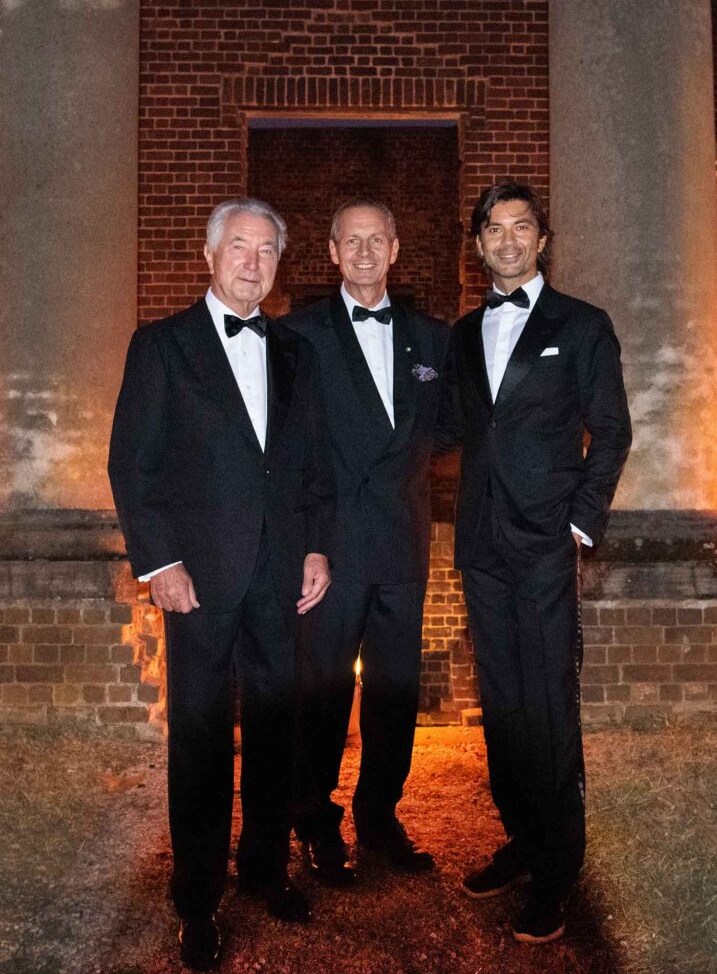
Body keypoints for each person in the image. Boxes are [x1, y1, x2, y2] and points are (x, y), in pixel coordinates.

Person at [108, 198, 333, 970]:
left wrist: (315, 550)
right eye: (239, 246)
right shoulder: (161, 346)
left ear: (278, 263)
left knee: (277, 732)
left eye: (267, 249)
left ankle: (265, 869)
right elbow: (132, 468)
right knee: (201, 742)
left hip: (278, 579)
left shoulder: (297, 353)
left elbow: (308, 470)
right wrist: (159, 563)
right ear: (209, 256)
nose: (252, 261)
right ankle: (197, 899)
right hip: (196, 583)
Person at [439, 181, 631, 944]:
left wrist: (580, 525)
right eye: (494, 229)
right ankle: (522, 840)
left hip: (547, 543)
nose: (508, 241)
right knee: (504, 703)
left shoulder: (581, 327)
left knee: (548, 709)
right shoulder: (460, 335)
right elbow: (451, 425)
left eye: (522, 228)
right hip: (481, 544)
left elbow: (609, 432)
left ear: (542, 240)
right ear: (478, 243)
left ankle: (557, 872)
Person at [283, 198, 450, 886]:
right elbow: (286, 452)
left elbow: (451, 430)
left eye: (373, 240)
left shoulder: (434, 340)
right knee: (321, 692)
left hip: (402, 548)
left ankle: (378, 817)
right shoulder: (295, 336)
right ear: (329, 251)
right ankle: (315, 822)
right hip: (330, 548)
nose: (361, 252)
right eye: (348, 241)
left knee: (393, 692)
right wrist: (304, 544)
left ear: (394, 248)